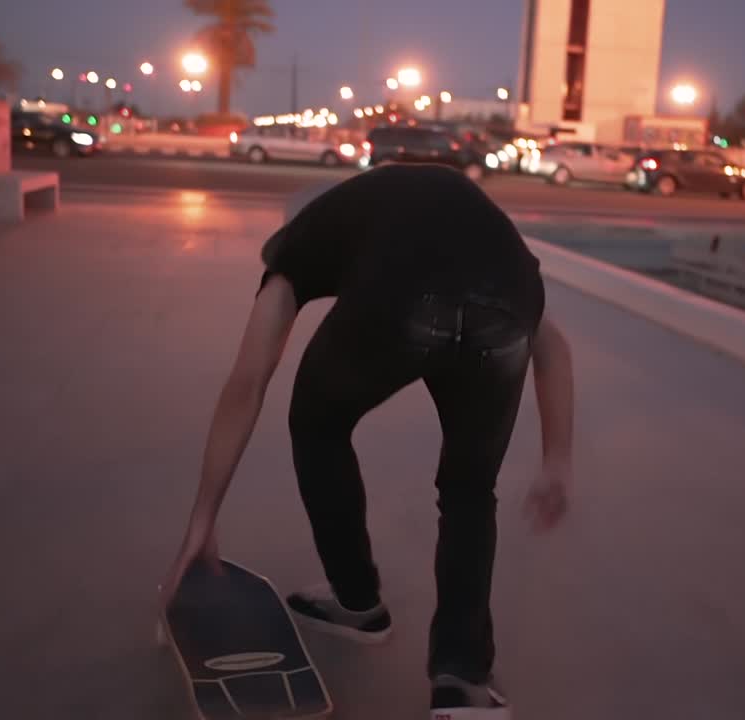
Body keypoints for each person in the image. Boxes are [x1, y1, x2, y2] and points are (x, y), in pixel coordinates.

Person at [160, 163, 575, 719]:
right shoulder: (418, 207)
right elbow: (553, 349)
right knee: (470, 489)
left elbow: (248, 379)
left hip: (402, 304)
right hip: (509, 307)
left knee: (316, 419)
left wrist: (202, 519)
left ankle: (357, 601)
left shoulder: (299, 247)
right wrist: (557, 460)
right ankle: (463, 679)